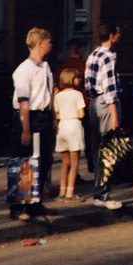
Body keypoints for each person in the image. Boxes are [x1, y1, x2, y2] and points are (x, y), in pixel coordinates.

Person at [9, 27, 56, 221]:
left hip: (44, 117)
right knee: (25, 161)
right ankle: (19, 206)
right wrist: (26, 129)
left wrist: (53, 117)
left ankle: (35, 202)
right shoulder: (24, 70)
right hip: (29, 118)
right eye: (48, 42)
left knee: (44, 159)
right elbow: (24, 103)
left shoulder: (45, 67)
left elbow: (49, 94)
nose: (51, 45)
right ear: (39, 44)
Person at [84, 23, 124, 210]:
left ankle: (98, 189)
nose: (119, 35)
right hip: (106, 103)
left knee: (96, 148)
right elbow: (109, 88)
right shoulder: (108, 56)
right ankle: (102, 194)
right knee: (107, 148)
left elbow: (88, 84)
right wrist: (114, 114)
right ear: (111, 35)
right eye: (117, 33)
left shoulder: (93, 54)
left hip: (94, 103)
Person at [53, 68, 86, 199]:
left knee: (64, 161)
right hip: (74, 125)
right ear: (72, 79)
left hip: (62, 126)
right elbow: (81, 113)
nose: (79, 80)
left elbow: (57, 113)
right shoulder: (77, 94)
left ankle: (62, 190)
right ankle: (70, 192)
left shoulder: (58, 96)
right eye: (77, 78)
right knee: (75, 162)